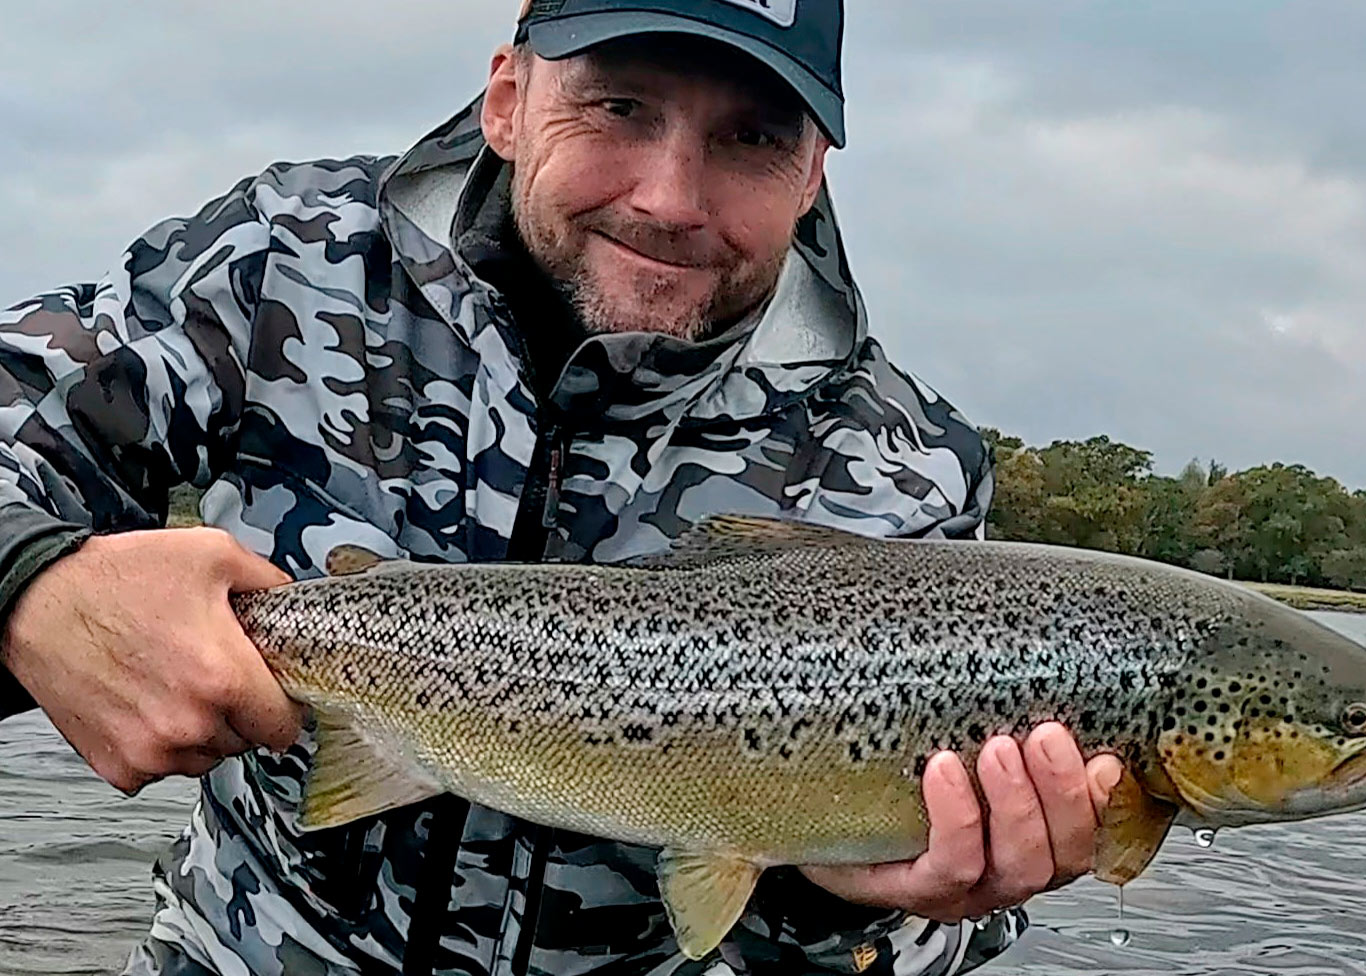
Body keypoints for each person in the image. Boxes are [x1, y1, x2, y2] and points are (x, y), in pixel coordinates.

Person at [0, 2, 1123, 974]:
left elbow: (915, 955)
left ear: (813, 171)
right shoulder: (290, 265)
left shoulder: (903, 469)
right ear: (506, 98)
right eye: (620, 108)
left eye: (752, 138)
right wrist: (29, 583)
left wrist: (846, 898)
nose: (672, 198)